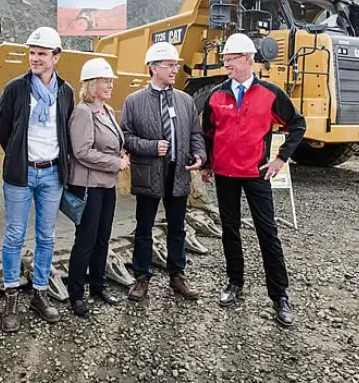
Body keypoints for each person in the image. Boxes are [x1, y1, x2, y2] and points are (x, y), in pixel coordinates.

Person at [201, 33, 306, 327]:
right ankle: (235, 283)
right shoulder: (216, 95)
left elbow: (297, 125)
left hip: (256, 174)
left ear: (248, 59)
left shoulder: (271, 94)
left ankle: (280, 295)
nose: (226, 65)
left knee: (267, 232)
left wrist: (281, 158)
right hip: (224, 175)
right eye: (224, 60)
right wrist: (209, 164)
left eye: (230, 59)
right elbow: (209, 133)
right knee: (230, 230)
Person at [0, 26, 75, 333]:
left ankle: (40, 293)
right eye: (32, 53)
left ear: (56, 57)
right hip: (21, 173)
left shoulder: (65, 92)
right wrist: (18, 156)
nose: (35, 59)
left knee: (47, 235)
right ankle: (12, 295)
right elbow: (4, 129)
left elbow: (66, 130)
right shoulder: (15, 88)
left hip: (53, 174)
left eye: (42, 54)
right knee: (14, 234)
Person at [120, 42, 206, 301]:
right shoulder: (134, 101)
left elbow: (195, 133)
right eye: (169, 65)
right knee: (144, 227)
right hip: (148, 173)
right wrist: (150, 147)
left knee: (177, 227)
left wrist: (199, 155)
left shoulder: (185, 100)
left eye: (175, 65)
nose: (174, 69)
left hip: (178, 172)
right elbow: (125, 137)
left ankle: (177, 276)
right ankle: (141, 278)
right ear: (153, 68)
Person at [67, 58, 129, 318]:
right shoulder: (83, 112)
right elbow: (82, 152)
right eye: (105, 80)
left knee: (103, 237)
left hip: (107, 185)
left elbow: (111, 143)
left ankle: (98, 286)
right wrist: (117, 162)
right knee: (86, 240)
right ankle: (76, 294)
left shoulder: (108, 111)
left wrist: (121, 153)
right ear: (92, 84)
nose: (110, 84)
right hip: (89, 185)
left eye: (111, 80)